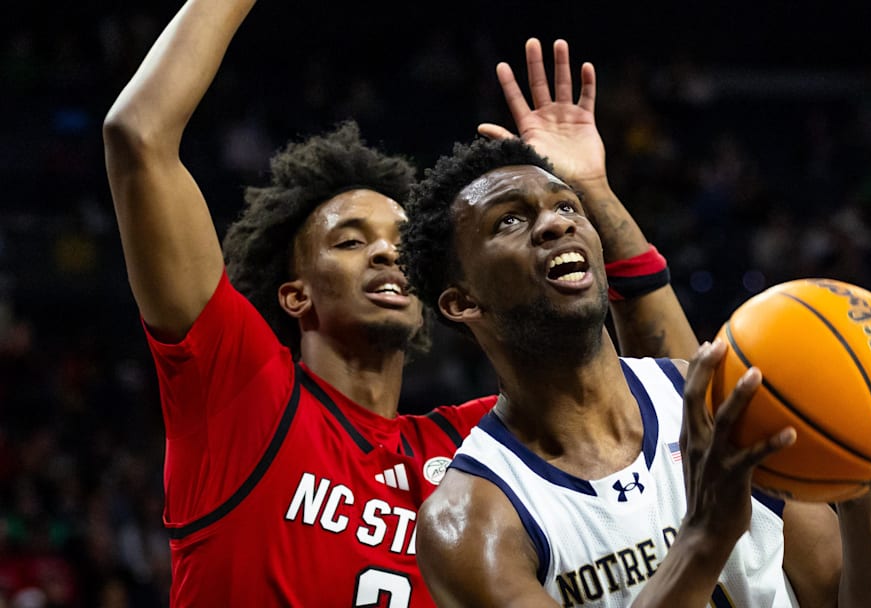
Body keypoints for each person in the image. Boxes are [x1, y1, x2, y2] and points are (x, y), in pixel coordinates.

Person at [102, 0, 693, 605]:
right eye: (351, 240)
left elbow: (678, 409)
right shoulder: (242, 400)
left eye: (399, 243)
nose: (386, 255)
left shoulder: (475, 449)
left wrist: (591, 191)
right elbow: (137, 137)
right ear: (295, 294)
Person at [401, 136, 871, 605]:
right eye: (508, 220)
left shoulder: (718, 404)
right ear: (460, 301)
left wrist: (862, 493)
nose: (557, 223)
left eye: (566, 205)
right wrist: (703, 538)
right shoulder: (472, 520)